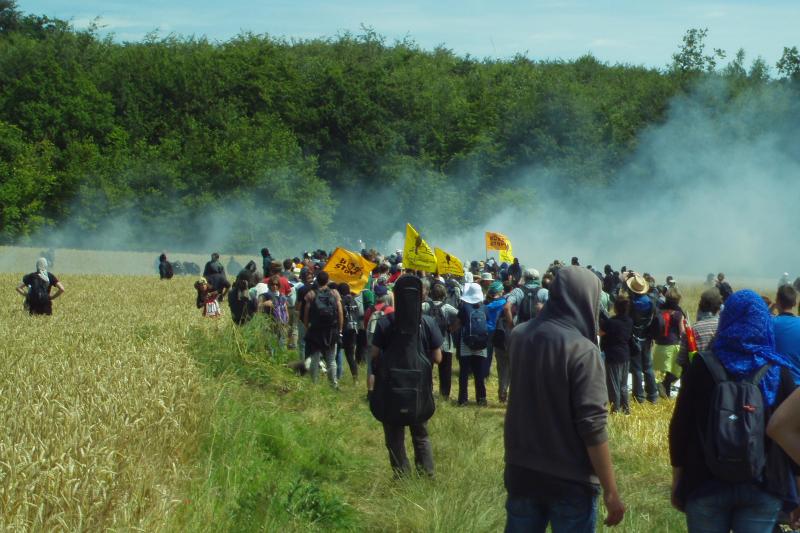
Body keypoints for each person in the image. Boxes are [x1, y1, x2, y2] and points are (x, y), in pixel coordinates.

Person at [504, 266, 625, 531]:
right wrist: (611, 490)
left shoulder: (519, 336)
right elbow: (593, 427)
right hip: (571, 478)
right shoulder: (583, 351)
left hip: (521, 469)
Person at [669, 290, 799, 532]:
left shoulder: (702, 366)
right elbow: (793, 432)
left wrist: (679, 478)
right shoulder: (777, 372)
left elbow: (680, 426)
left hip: (704, 482)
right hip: (763, 484)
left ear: (726, 320)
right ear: (764, 323)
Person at [369, 275, 443, 477]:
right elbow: (437, 358)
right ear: (421, 297)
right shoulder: (428, 323)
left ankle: (401, 475)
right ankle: (427, 474)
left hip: (391, 386)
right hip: (419, 387)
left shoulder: (385, 322)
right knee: (420, 433)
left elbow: (374, 354)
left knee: (394, 435)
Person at [304, 271, 344, 387]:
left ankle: (314, 383)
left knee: (315, 358)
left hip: (316, 331)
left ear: (317, 280)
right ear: (327, 280)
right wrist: (340, 329)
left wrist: (307, 327)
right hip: (331, 331)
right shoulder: (335, 293)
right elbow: (340, 312)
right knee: (331, 360)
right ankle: (334, 384)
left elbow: (306, 313)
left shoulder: (311, 294)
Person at [626, 273, 659, 404]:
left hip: (634, 337)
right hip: (647, 337)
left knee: (637, 368)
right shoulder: (650, 301)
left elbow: (628, 320)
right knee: (648, 367)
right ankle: (653, 394)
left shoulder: (631, 303)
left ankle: (639, 396)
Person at [423, 282, 458, 400]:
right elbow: (460, 315)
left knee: (428, 369)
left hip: (428, 344)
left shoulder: (426, 306)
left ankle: (428, 391)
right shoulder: (447, 308)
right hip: (445, 344)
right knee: (445, 372)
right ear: (444, 294)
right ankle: (444, 395)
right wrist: (453, 328)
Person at [456, 282, 489, 406]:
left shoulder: (464, 308)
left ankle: (463, 400)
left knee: (464, 373)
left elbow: (458, 324)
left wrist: (450, 329)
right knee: (479, 373)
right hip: (481, 345)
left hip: (466, 344)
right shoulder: (485, 308)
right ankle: (481, 399)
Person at [601, 297, 633, 414]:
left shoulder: (611, 322)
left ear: (615, 308)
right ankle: (626, 409)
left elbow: (601, 332)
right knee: (623, 385)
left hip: (613, 356)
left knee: (614, 385)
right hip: (625, 355)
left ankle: (615, 411)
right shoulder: (629, 321)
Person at [676, 288, 722, 369]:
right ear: (718, 308)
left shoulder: (691, 330)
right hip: (721, 377)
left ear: (700, 307)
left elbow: (681, 360)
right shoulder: (724, 327)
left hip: (697, 375)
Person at [653, 288, 686, 398]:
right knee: (679, 371)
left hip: (659, 346)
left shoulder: (659, 311)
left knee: (667, 372)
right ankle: (663, 384)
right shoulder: (678, 314)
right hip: (672, 346)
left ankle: (665, 392)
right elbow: (682, 332)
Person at [485, 281, 510, 402]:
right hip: (502, 333)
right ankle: (505, 389)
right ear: (501, 291)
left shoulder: (486, 305)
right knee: (508, 365)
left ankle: (486, 374)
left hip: (488, 331)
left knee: (496, 362)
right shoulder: (505, 303)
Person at [773, 284, 800, 369]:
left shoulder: (769, 323)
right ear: (795, 303)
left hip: (776, 380)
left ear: (777, 301)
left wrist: (769, 309)